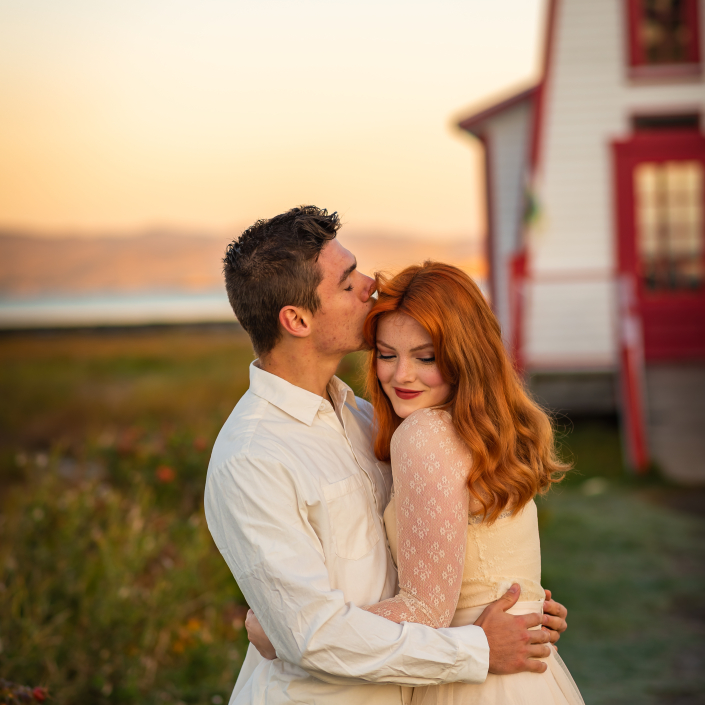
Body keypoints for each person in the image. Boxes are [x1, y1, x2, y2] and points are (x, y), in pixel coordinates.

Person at [204, 206, 569, 705]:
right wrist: (478, 647)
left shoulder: (367, 421)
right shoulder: (252, 458)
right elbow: (311, 636)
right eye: (347, 281)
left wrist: (519, 601)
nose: (369, 285)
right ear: (296, 318)